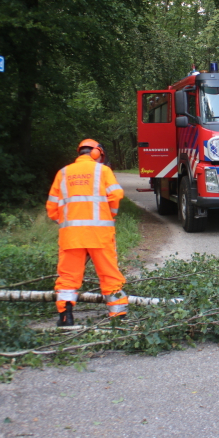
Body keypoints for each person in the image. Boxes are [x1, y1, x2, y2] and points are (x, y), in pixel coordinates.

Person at [46, 139, 129, 326]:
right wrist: (110, 215)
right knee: (109, 274)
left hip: (71, 237)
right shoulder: (103, 171)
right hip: (100, 235)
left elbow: (52, 209)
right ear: (97, 153)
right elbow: (116, 194)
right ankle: (118, 318)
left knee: (68, 276)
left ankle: (66, 318)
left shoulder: (63, 173)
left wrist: (68, 222)